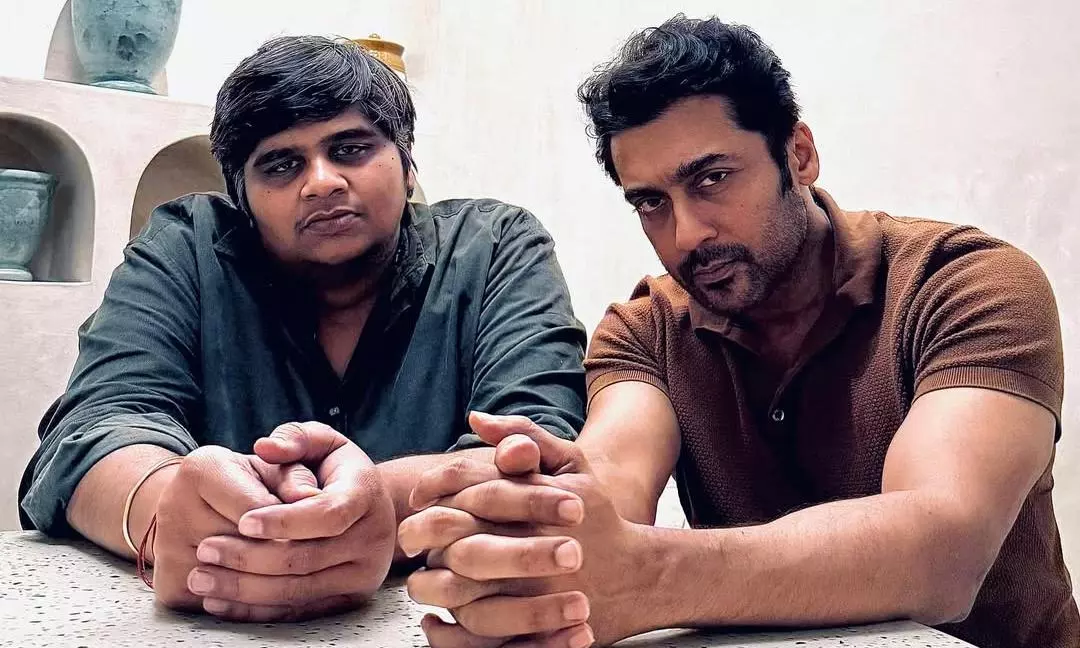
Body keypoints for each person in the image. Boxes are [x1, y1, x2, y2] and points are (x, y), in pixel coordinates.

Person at [395, 15, 1079, 648]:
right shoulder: (645, 329)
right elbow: (613, 481)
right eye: (651, 203)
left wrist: (649, 577)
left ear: (799, 155)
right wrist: (532, 534)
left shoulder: (966, 285)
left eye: (713, 178)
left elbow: (943, 551)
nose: (687, 234)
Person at [18, 35, 587, 623]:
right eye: (281, 165)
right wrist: (168, 512)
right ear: (242, 195)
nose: (322, 182)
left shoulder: (495, 249)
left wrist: (375, 507)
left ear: (407, 161)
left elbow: (538, 444)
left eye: (350, 149)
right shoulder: (185, 250)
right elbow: (95, 430)